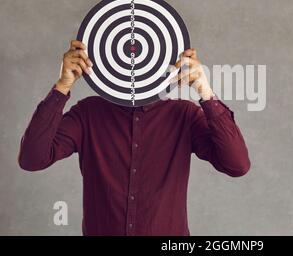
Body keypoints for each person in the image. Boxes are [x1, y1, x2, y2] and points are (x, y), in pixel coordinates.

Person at [18, 40, 251, 236]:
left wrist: (206, 93)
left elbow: (237, 165)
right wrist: (62, 86)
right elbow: (32, 159)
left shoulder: (184, 116)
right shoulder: (88, 113)